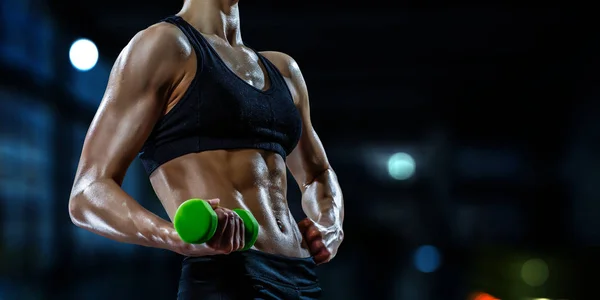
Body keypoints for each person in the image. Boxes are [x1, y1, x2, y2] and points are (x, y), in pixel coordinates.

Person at [67, 0, 344, 299]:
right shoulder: (164, 46)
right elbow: (86, 193)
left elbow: (318, 173)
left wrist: (330, 224)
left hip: (302, 276)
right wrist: (174, 237)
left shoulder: (283, 70)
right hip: (227, 277)